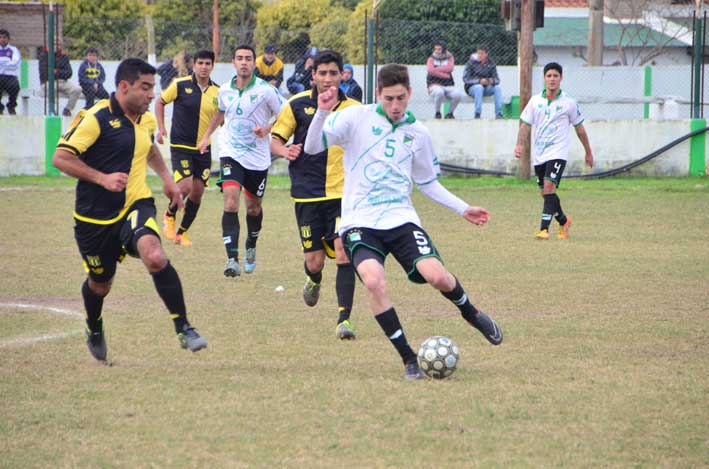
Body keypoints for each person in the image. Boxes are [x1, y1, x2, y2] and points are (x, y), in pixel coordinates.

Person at [303, 63, 503, 379]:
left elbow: (427, 182)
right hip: (360, 221)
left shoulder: (418, 133)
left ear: (410, 93)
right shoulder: (356, 118)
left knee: (436, 276)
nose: (395, 106)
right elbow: (312, 147)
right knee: (373, 280)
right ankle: (409, 359)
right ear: (377, 94)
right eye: (388, 99)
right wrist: (322, 113)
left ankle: (471, 313)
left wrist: (462, 208)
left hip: (401, 219)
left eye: (400, 98)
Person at [52, 58, 207, 363]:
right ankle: (94, 326)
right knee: (100, 283)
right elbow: (60, 158)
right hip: (93, 217)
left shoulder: (145, 119)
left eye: (153, 88)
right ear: (124, 87)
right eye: (145, 87)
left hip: (135, 204)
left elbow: (148, 148)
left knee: (155, 255)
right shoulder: (95, 118)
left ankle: (183, 326)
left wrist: (168, 181)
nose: (152, 95)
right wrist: (101, 178)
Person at [271, 49, 360, 340]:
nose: (328, 78)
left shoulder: (355, 108)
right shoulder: (296, 104)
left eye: (333, 73)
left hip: (342, 194)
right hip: (307, 193)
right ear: (313, 76)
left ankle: (343, 320)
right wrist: (285, 150)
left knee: (345, 253)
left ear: (341, 75)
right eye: (322, 73)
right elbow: (275, 140)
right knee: (315, 261)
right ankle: (313, 279)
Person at [197, 45, 283, 276]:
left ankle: (251, 245)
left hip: (257, 158)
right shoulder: (224, 90)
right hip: (231, 152)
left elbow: (286, 114)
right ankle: (232, 259)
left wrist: (267, 129)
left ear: (254, 63)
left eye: (248, 59)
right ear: (233, 62)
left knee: (254, 209)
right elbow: (220, 113)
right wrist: (206, 136)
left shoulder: (266, 91)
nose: (244, 62)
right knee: (231, 201)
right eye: (239, 58)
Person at [514, 62, 594, 240]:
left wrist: (588, 152)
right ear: (544, 78)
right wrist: (519, 144)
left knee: (549, 187)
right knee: (545, 193)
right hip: (540, 154)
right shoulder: (535, 101)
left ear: (561, 78)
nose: (552, 79)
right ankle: (564, 221)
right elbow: (525, 125)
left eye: (555, 76)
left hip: (558, 152)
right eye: (549, 76)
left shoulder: (569, 103)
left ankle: (544, 229)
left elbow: (580, 129)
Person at [156, 50, 219, 247]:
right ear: (194, 65)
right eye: (200, 63)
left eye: (207, 63)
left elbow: (221, 115)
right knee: (185, 186)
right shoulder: (180, 85)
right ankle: (169, 214)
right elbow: (160, 102)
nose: (203, 67)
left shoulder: (218, 91)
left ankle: (181, 233)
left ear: (212, 66)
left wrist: (209, 135)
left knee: (198, 191)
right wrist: (161, 127)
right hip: (181, 145)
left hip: (203, 148)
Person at [38, 44, 82, 117]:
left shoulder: (64, 56)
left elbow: (69, 73)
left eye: (58, 44)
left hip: (63, 82)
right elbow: (44, 73)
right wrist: (60, 72)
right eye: (54, 44)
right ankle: (53, 110)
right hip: (49, 82)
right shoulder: (44, 55)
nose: (56, 46)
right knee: (52, 89)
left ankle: (67, 109)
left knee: (77, 89)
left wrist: (56, 72)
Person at [426, 40, 463, 119]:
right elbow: (430, 70)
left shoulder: (450, 57)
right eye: (435, 49)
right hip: (434, 84)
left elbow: (450, 68)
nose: (437, 51)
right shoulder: (431, 59)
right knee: (439, 92)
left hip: (448, 85)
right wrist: (444, 75)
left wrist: (436, 69)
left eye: (439, 49)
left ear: (444, 49)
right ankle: (437, 113)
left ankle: (449, 113)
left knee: (458, 95)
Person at [463, 46, 503, 119]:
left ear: (486, 54)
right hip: (472, 88)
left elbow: (497, 79)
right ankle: (477, 113)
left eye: (482, 53)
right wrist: (479, 81)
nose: (479, 55)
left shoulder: (491, 64)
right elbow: (466, 79)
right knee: (479, 87)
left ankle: (499, 114)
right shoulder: (470, 63)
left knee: (497, 88)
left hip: (486, 88)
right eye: (478, 53)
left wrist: (492, 81)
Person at [0, 29, 21, 115]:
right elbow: (11, 63)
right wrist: (8, 60)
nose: (2, 39)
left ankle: (11, 106)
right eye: (0, 37)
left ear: (8, 39)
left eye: (4, 37)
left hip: (10, 76)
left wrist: (2, 61)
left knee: (15, 87)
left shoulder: (14, 50)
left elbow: (15, 63)